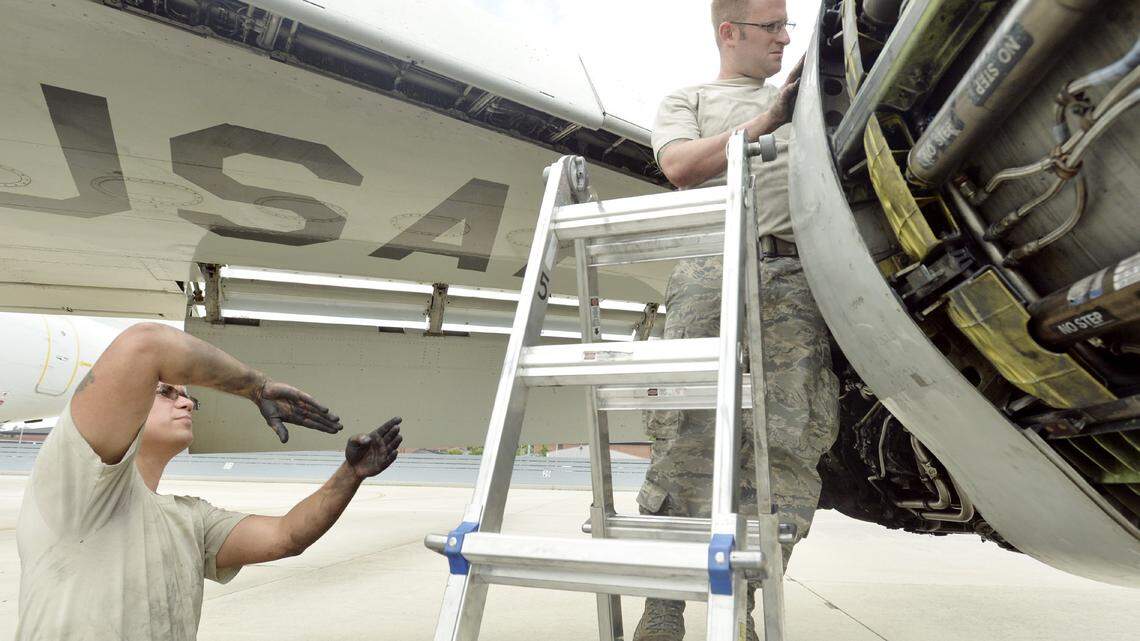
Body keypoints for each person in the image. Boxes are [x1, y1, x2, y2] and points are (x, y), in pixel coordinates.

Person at [634, 1, 839, 639]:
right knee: (685, 433)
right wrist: (769, 118)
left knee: (784, 440)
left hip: (792, 278)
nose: (784, 37)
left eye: (788, 27)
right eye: (771, 26)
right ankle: (664, 607)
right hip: (709, 272)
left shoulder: (803, 100)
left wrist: (804, 96)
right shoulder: (689, 99)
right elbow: (680, 167)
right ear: (730, 32)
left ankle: (742, 605)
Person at [16, 322, 403, 640]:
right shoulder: (79, 479)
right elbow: (146, 345)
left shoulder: (191, 518)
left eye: (188, 398)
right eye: (166, 392)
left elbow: (287, 536)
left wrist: (350, 475)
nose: (186, 402)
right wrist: (255, 386)